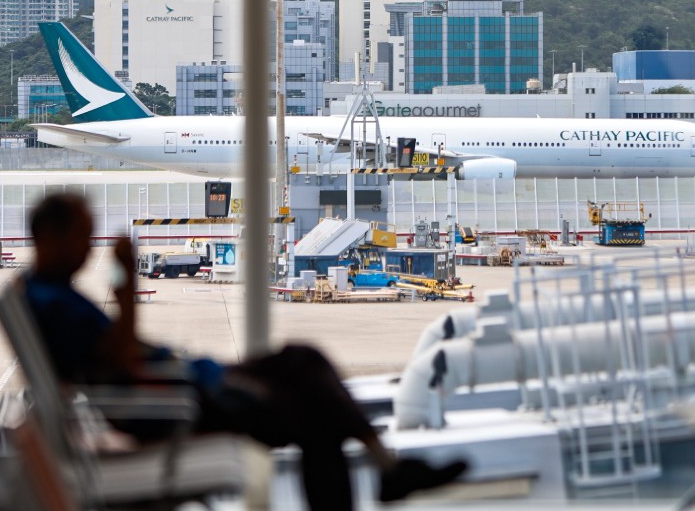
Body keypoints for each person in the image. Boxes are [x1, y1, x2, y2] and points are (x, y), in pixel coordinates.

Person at [23, 193, 467, 510]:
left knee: (303, 360)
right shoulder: (53, 303)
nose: (89, 248)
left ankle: (389, 468)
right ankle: (388, 468)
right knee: (314, 408)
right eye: (82, 236)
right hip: (179, 400)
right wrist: (125, 288)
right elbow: (121, 361)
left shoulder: (47, 294)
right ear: (48, 236)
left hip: (182, 382)